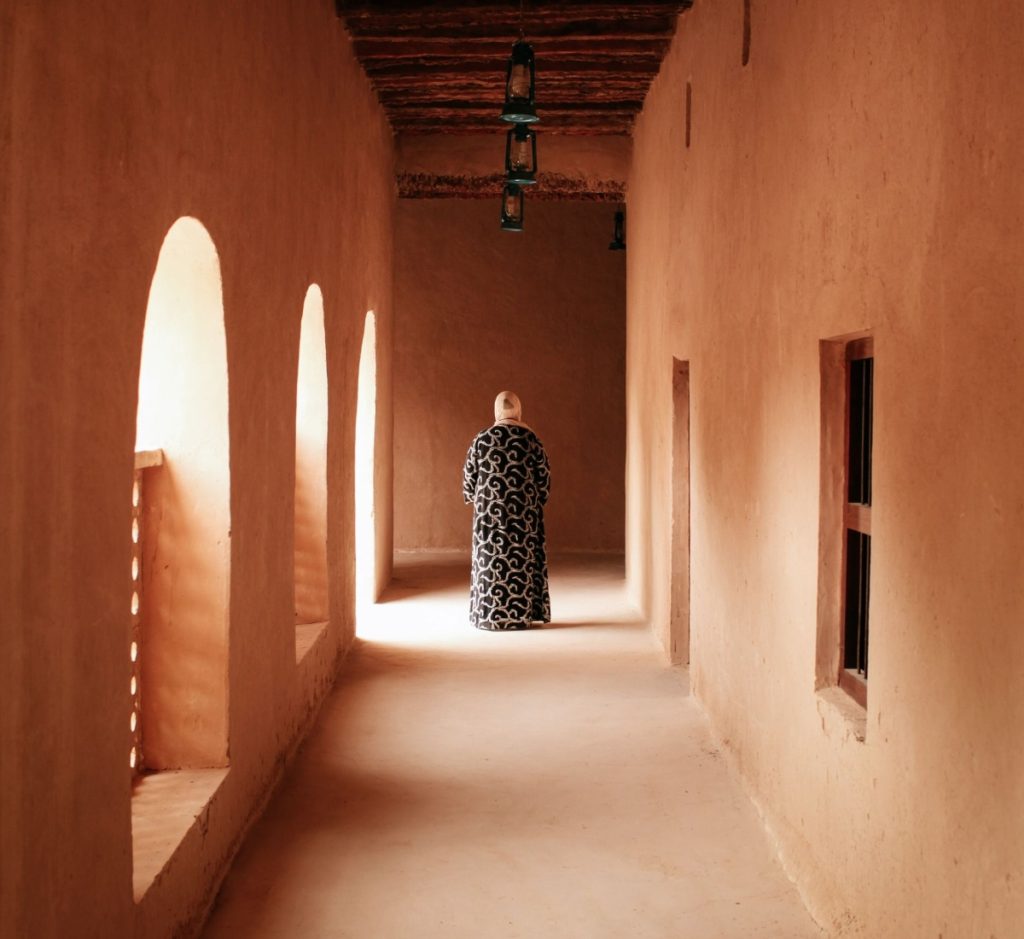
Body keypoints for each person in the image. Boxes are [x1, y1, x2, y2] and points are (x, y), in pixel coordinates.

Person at [462, 391, 551, 630]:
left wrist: (475, 497)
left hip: (488, 515)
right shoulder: (531, 439)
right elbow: (544, 478)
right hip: (523, 515)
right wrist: (537, 500)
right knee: (521, 559)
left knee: (488, 559)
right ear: (518, 409)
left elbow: (469, 479)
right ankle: (519, 615)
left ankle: (489, 615)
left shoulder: (482, 438)